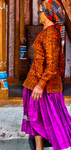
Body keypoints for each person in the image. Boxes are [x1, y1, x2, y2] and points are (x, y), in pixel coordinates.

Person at [21, 0, 71, 150]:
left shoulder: (50, 35)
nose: (38, 14)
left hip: (45, 88)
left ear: (49, 14)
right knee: (36, 119)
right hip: (37, 85)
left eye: (40, 11)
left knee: (55, 122)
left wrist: (40, 85)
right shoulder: (46, 32)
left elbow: (52, 65)